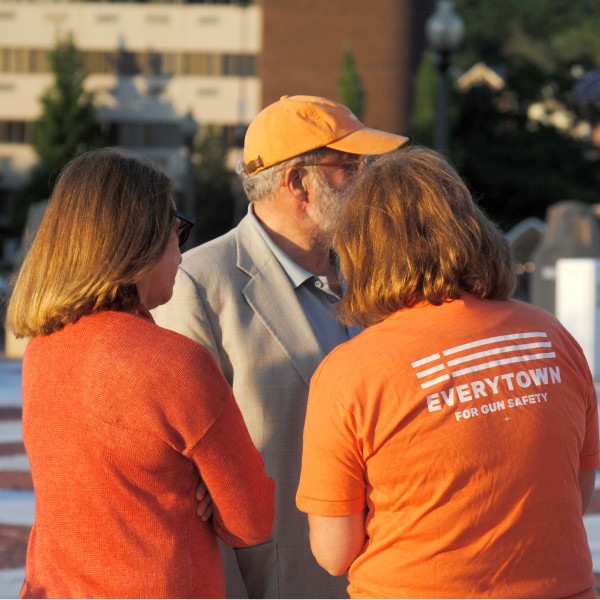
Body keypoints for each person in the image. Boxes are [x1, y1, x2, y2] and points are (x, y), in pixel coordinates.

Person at [296, 146, 600, 599]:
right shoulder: (550, 336)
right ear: (470, 226)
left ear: (362, 250)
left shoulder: (350, 372)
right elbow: (576, 489)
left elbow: (334, 552)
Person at [151, 94, 408, 598]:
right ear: (297, 182)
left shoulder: (379, 276)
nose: (366, 180)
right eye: (349, 165)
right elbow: (187, 480)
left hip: (391, 571)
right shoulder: (200, 283)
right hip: (281, 580)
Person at [6, 147, 274, 599]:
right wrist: (207, 488)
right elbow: (252, 518)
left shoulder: (41, 353)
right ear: (140, 241)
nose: (182, 250)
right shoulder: (176, 363)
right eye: (177, 231)